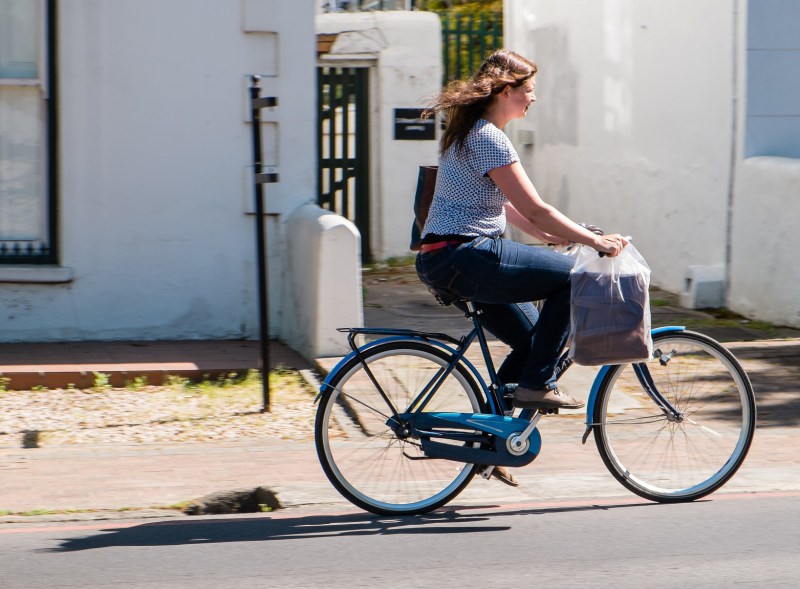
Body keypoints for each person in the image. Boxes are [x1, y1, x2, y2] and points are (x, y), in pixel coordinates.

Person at [416, 49, 628, 415]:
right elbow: (536, 209)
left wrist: (554, 235)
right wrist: (594, 241)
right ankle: (536, 386)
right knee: (576, 277)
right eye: (529, 89)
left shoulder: (467, 133)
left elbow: (507, 206)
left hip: (445, 259)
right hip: (467, 255)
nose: (534, 97)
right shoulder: (489, 138)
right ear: (505, 92)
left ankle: (489, 437)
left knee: (534, 345)